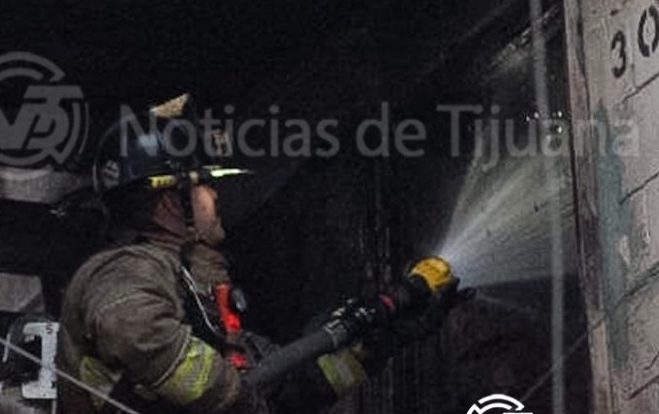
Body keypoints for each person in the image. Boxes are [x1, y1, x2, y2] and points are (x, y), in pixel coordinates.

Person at [56, 95, 442, 414]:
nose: (217, 195)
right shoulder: (125, 269)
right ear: (171, 203)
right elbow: (135, 331)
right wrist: (237, 396)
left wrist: (375, 342)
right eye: (206, 184)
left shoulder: (196, 294)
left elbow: (281, 387)